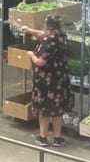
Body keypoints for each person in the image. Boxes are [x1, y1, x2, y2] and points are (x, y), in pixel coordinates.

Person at [23, 14, 72, 148]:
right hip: (60, 79)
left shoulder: (48, 40)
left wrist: (31, 55)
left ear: (47, 25)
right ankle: (57, 138)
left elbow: (40, 62)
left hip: (46, 81)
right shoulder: (61, 36)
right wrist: (29, 30)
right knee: (57, 110)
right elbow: (44, 35)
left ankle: (43, 138)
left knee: (43, 111)